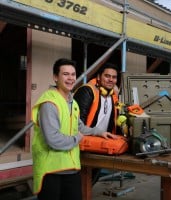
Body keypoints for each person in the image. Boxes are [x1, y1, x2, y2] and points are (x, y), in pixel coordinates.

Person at [31, 58, 117, 200]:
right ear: (55, 77)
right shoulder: (49, 103)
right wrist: (78, 138)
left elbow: (79, 126)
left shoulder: (72, 102)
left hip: (71, 168)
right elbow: (53, 140)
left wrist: (100, 132)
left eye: (73, 74)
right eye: (65, 74)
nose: (70, 78)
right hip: (51, 171)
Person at [73, 63, 120, 185]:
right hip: (83, 145)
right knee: (78, 182)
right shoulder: (87, 91)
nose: (111, 80)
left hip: (100, 144)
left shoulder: (113, 96)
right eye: (107, 76)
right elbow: (78, 124)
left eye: (114, 77)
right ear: (99, 77)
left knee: (91, 180)